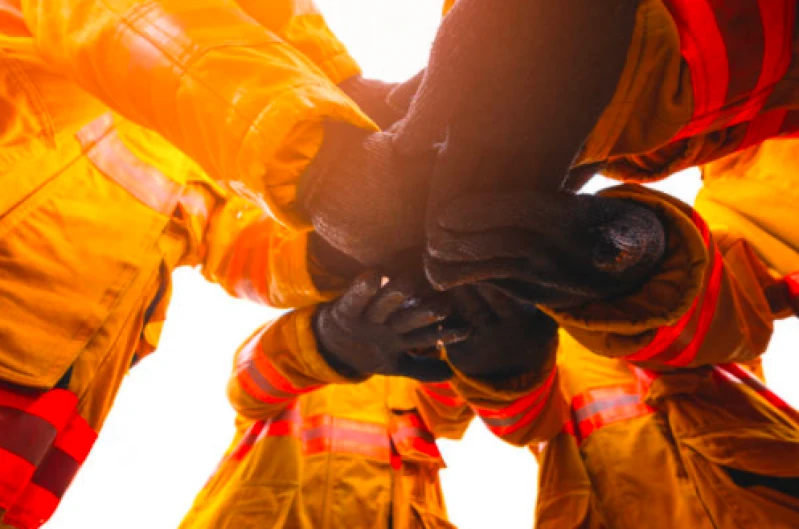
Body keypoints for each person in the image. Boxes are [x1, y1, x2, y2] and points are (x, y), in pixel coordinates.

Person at [180, 273, 474, 529]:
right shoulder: (293, 339)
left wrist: (454, 347)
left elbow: (450, 419)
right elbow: (246, 391)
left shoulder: (417, 370)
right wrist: (325, 341)